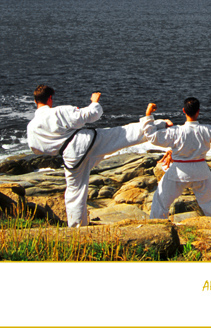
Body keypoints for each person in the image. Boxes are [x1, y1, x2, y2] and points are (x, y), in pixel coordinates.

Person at [26, 84, 167, 227]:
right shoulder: (58, 112)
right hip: (86, 143)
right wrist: (94, 101)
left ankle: (77, 227)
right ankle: (158, 126)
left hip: (71, 157)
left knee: (74, 191)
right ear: (50, 98)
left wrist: (58, 141)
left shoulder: (32, 126)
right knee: (120, 135)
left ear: (35, 101)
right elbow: (91, 115)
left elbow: (36, 149)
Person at [141, 97, 211, 219]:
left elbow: (152, 136)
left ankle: (158, 225)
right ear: (198, 111)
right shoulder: (207, 130)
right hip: (201, 171)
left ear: (184, 111)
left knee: (160, 201)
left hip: (179, 171)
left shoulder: (175, 131)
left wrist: (148, 114)